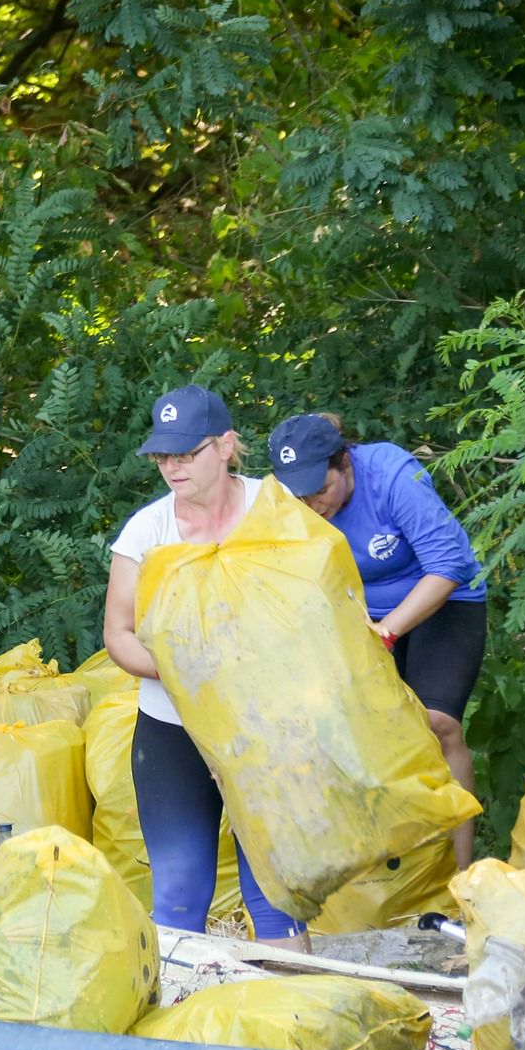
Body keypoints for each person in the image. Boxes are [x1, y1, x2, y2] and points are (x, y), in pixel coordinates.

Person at [101, 384, 309, 951]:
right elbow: (118, 637)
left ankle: (295, 1024)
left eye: (186, 453)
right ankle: (180, 1030)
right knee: (179, 887)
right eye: (162, 456)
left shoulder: (275, 510)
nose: (172, 467)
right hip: (173, 728)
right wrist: (191, 673)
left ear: (225, 445)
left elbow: (316, 609)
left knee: (275, 887)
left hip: (264, 726)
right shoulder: (147, 531)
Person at [267, 412, 487, 868]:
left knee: (436, 723)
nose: (312, 506)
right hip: (358, 612)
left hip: (441, 600)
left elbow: (449, 565)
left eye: (320, 490)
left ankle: (462, 874)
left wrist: (387, 631)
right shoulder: (285, 504)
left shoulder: (391, 474)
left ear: (344, 462)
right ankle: (388, 871)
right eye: (299, 495)